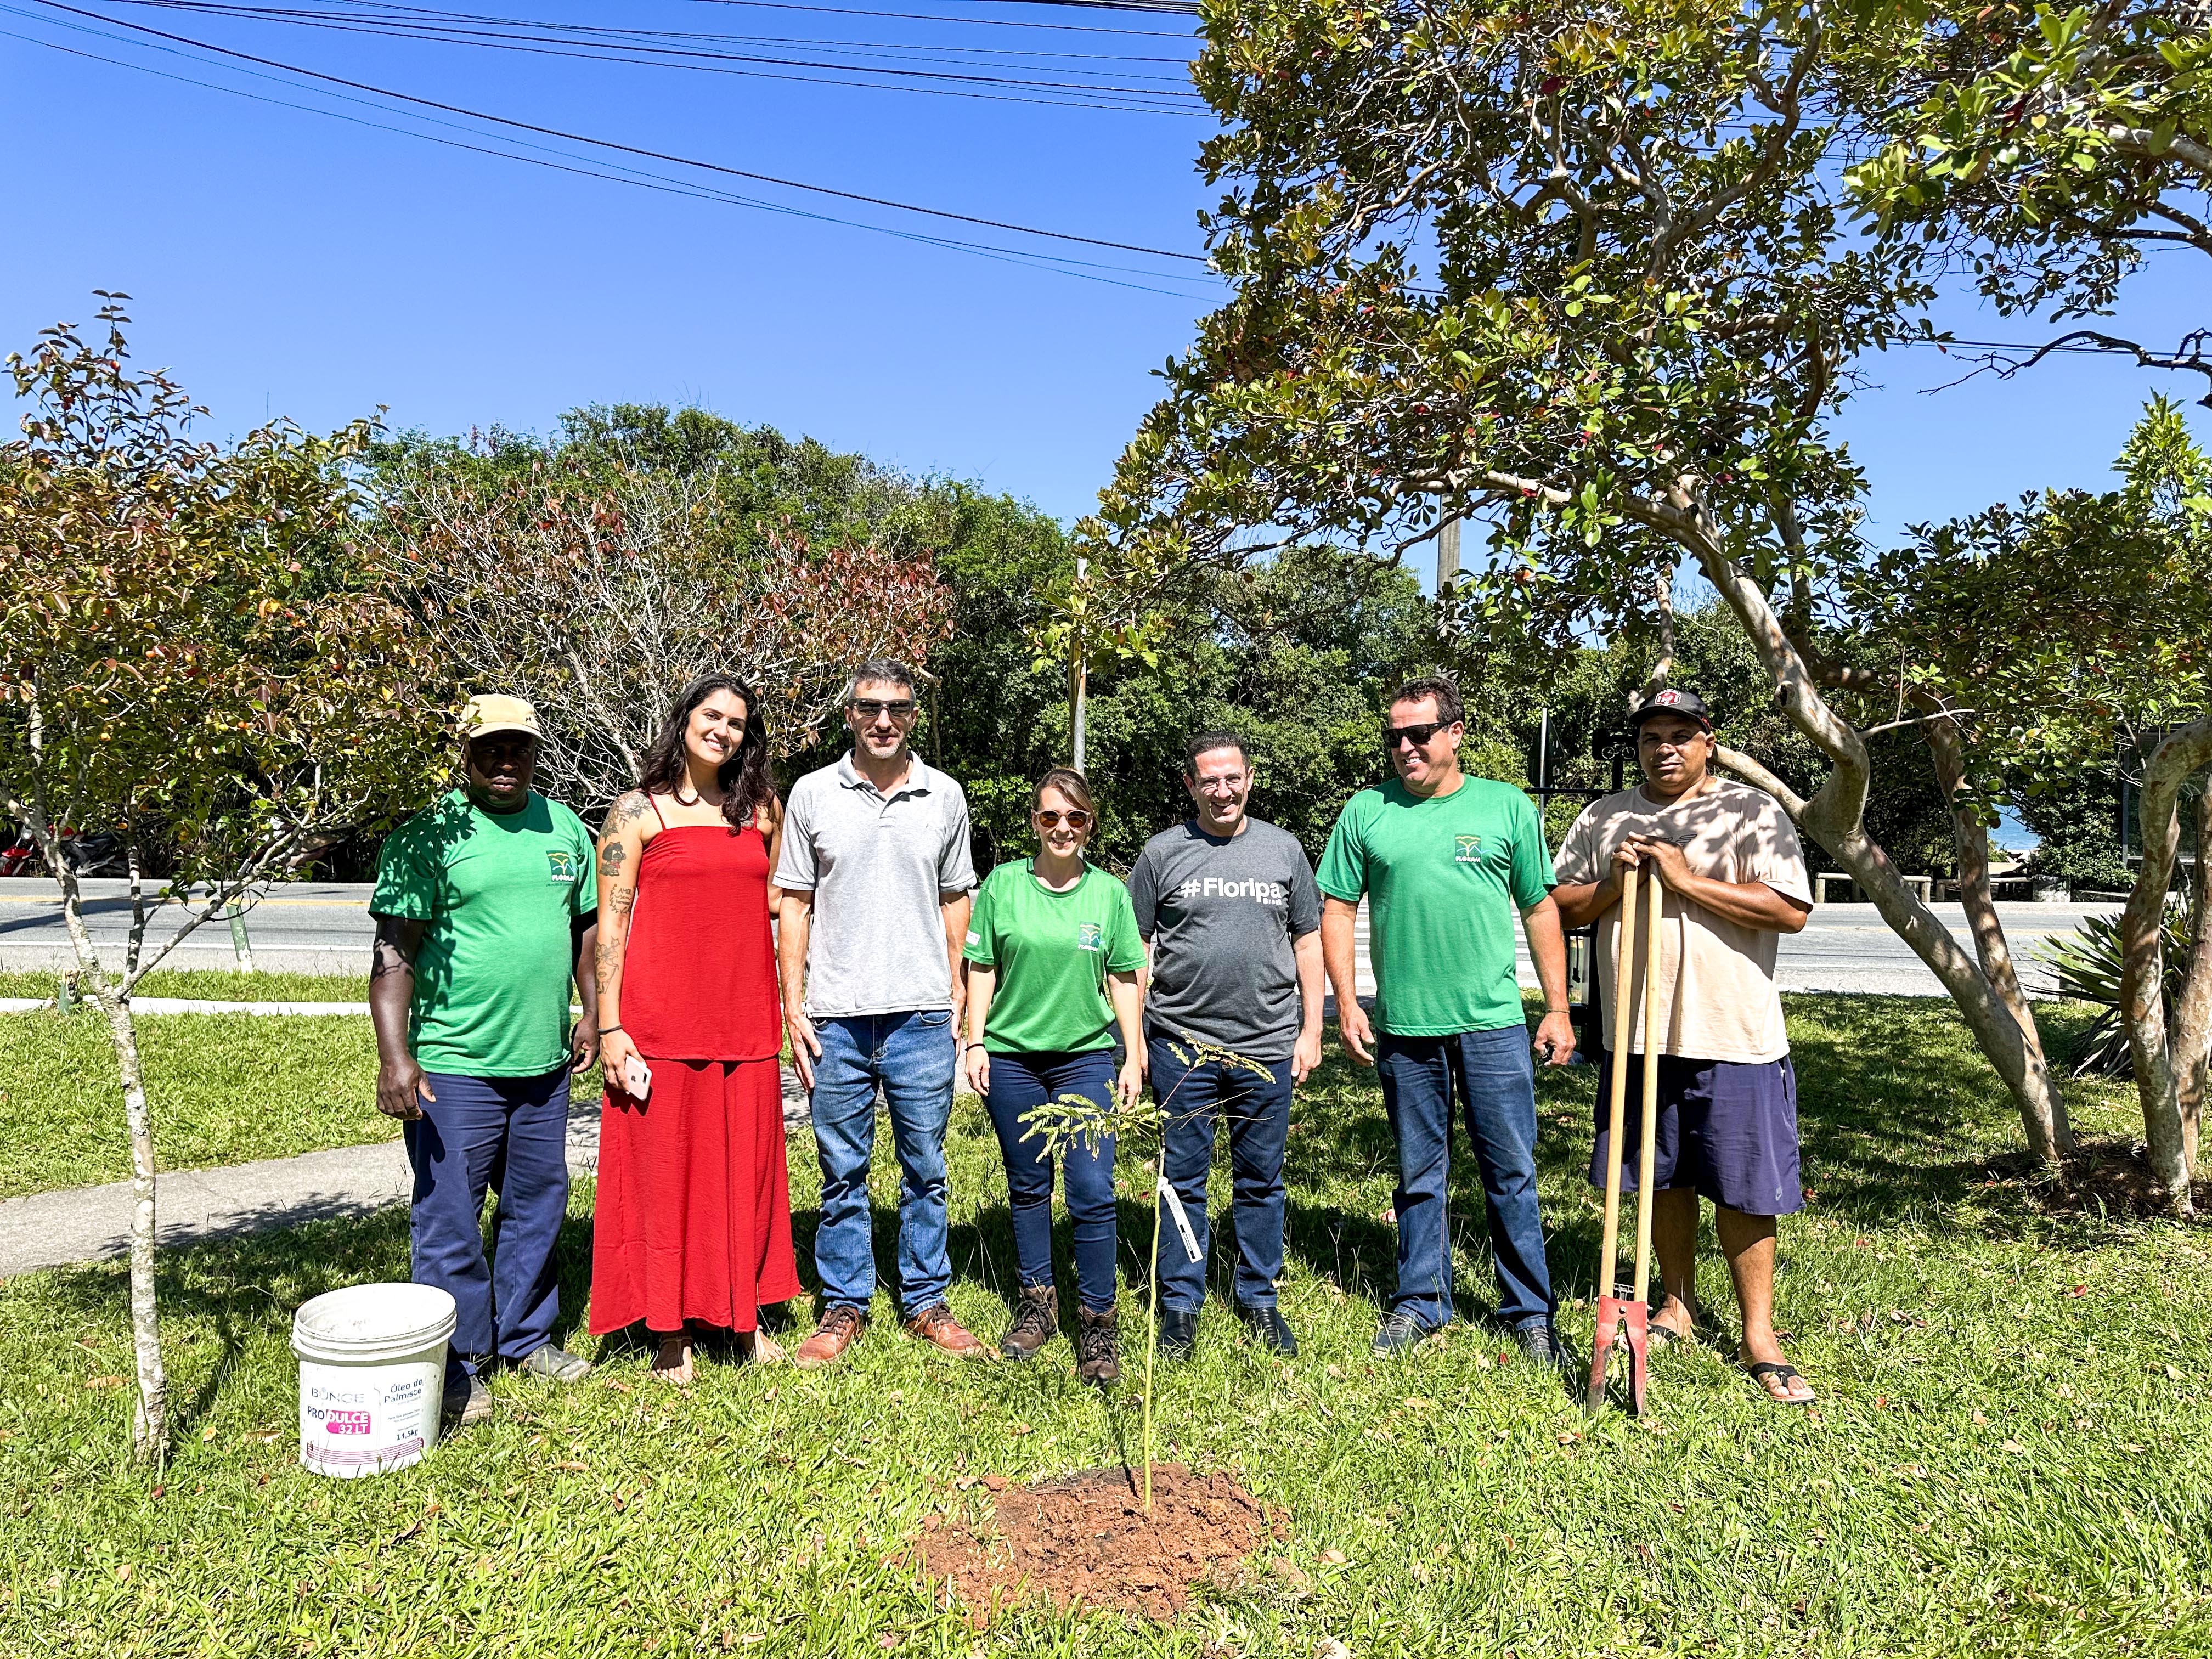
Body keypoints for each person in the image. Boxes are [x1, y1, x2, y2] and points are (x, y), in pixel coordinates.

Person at [1550, 688, 1816, 1404]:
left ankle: (1759, 1334)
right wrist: (1614, 882)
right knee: (1661, 1177)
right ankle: (1676, 1304)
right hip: (1638, 1035)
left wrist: (1685, 879)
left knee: (1743, 1185)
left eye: (1678, 735)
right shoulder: (1605, 817)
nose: (1662, 747)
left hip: (1734, 1032)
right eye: (1648, 738)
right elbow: (1562, 906)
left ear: (1707, 741)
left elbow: (1789, 910)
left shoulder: (1750, 812)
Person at [1317, 675, 1577, 1366]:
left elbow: (1540, 907)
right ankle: (1421, 1301)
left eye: (1419, 734)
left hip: (1491, 1024)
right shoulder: (1366, 812)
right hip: (1404, 1026)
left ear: (1455, 733)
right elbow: (1337, 909)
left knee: (1511, 1170)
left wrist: (1557, 1008)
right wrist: (1346, 1000)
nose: (1404, 747)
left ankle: (1527, 1311)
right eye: (1394, 736)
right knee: (1417, 1172)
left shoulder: (1506, 807)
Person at [370, 694, 599, 1427]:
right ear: (464, 752)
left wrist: (593, 1011)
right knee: (450, 1218)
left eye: (520, 748)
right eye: (491, 748)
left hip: (543, 1061)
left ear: (537, 753)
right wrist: (396, 1057)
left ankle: (526, 1338)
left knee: (537, 1204)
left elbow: (584, 933)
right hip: (455, 1063)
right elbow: (392, 956)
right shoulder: (427, 835)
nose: (507, 761)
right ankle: (458, 1364)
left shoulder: (564, 828)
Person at [589, 675, 802, 1383]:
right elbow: (610, 924)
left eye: (737, 722)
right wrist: (613, 1026)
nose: (724, 730)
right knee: (665, 1180)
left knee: (742, 1177)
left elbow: (779, 901)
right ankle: (669, 1332)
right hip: (659, 1024)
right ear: (685, 720)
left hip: (744, 1022)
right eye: (712, 715)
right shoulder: (635, 812)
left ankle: (742, 1322)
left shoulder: (764, 811)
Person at [775, 659, 988, 1368]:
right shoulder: (811, 794)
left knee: (925, 1167)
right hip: (836, 1013)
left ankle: (926, 1299)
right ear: (850, 715)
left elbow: (958, 892)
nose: (884, 720)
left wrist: (956, 985)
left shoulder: (945, 795)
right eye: (870, 707)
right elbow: (794, 903)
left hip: (922, 1016)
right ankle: (845, 1304)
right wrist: (793, 1002)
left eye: (897, 708)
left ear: (914, 715)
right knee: (842, 1170)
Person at [1127, 731, 1323, 1359]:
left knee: (1261, 1179)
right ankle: (1181, 1304)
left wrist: (1311, 1030)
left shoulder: (1284, 850)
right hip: (1181, 1045)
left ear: (1250, 779)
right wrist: (1134, 1041)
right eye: (1208, 780)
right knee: (1182, 1180)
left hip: (1266, 1043)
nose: (1222, 790)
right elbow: (1134, 954)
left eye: (1232, 778)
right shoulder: (1161, 855)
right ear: (1190, 785)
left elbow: (1308, 943)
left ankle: (1260, 1296)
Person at [962, 768, 1146, 1384]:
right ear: (1034, 822)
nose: (1062, 829)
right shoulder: (1003, 886)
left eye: (1075, 818)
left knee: (1092, 1190)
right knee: (1029, 1186)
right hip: (1013, 1058)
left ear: (1090, 824)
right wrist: (975, 1039)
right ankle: (1038, 1306)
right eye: (1049, 818)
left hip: (1085, 1056)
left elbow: (1123, 977)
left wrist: (1135, 1051)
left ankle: (1098, 1325)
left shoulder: (1108, 895)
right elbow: (982, 966)